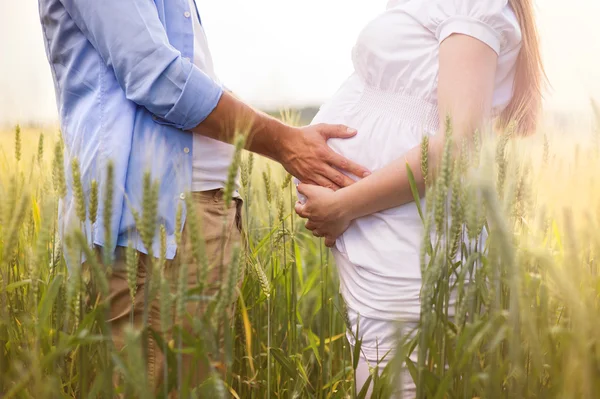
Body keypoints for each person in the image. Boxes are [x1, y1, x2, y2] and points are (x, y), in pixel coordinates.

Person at [38, 0, 369, 394]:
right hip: (155, 227)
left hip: (200, 215)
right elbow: (156, 76)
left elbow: (192, 75)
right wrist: (285, 144)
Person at [294, 0, 545, 396]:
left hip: (409, 243)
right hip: (385, 235)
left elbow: (459, 143)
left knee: (394, 381)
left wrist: (344, 205)